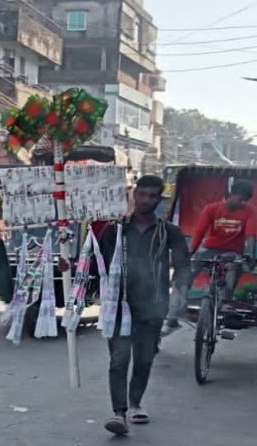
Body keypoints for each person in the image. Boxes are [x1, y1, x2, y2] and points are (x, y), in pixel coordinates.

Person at [96, 175, 189, 436]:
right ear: (134, 195)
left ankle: (136, 403)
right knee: (119, 359)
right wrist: (69, 268)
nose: (146, 200)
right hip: (118, 304)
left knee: (144, 359)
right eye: (142, 194)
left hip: (153, 306)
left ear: (159, 199)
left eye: (152, 196)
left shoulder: (169, 231)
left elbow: (183, 266)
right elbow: (96, 263)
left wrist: (180, 292)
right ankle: (119, 412)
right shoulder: (114, 229)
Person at [164, 180, 257, 334]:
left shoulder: (249, 210)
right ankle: (174, 314)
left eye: (245, 201)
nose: (242, 203)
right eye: (241, 199)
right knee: (184, 274)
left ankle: (225, 300)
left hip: (232, 252)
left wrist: (251, 254)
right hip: (209, 248)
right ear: (231, 194)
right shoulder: (212, 209)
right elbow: (200, 231)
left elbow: (251, 233)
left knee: (234, 268)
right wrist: (191, 252)